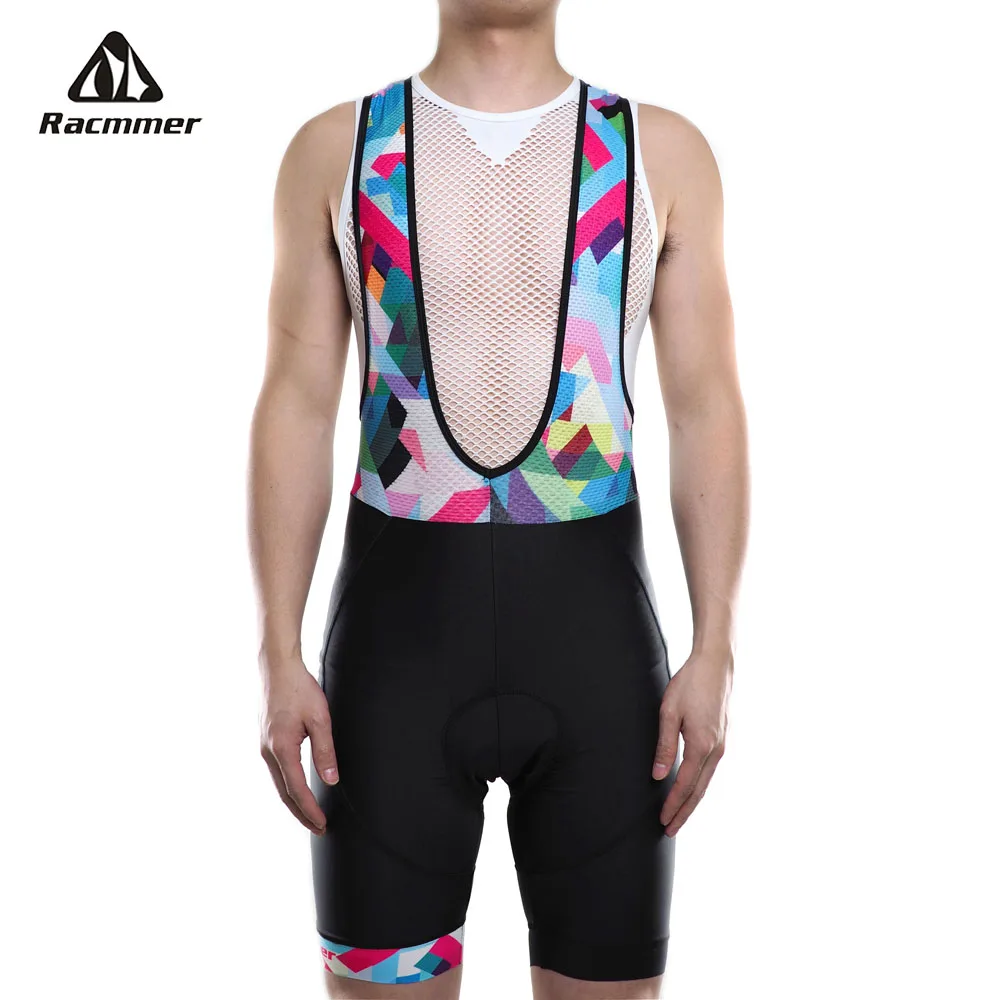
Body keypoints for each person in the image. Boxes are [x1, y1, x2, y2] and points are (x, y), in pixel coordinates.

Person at [248, 1, 749, 996]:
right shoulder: (337, 150)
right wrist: (276, 650)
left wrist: (716, 646)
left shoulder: (658, 152)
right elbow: (296, 402)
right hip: (390, 673)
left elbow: (706, 407)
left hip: (600, 669)